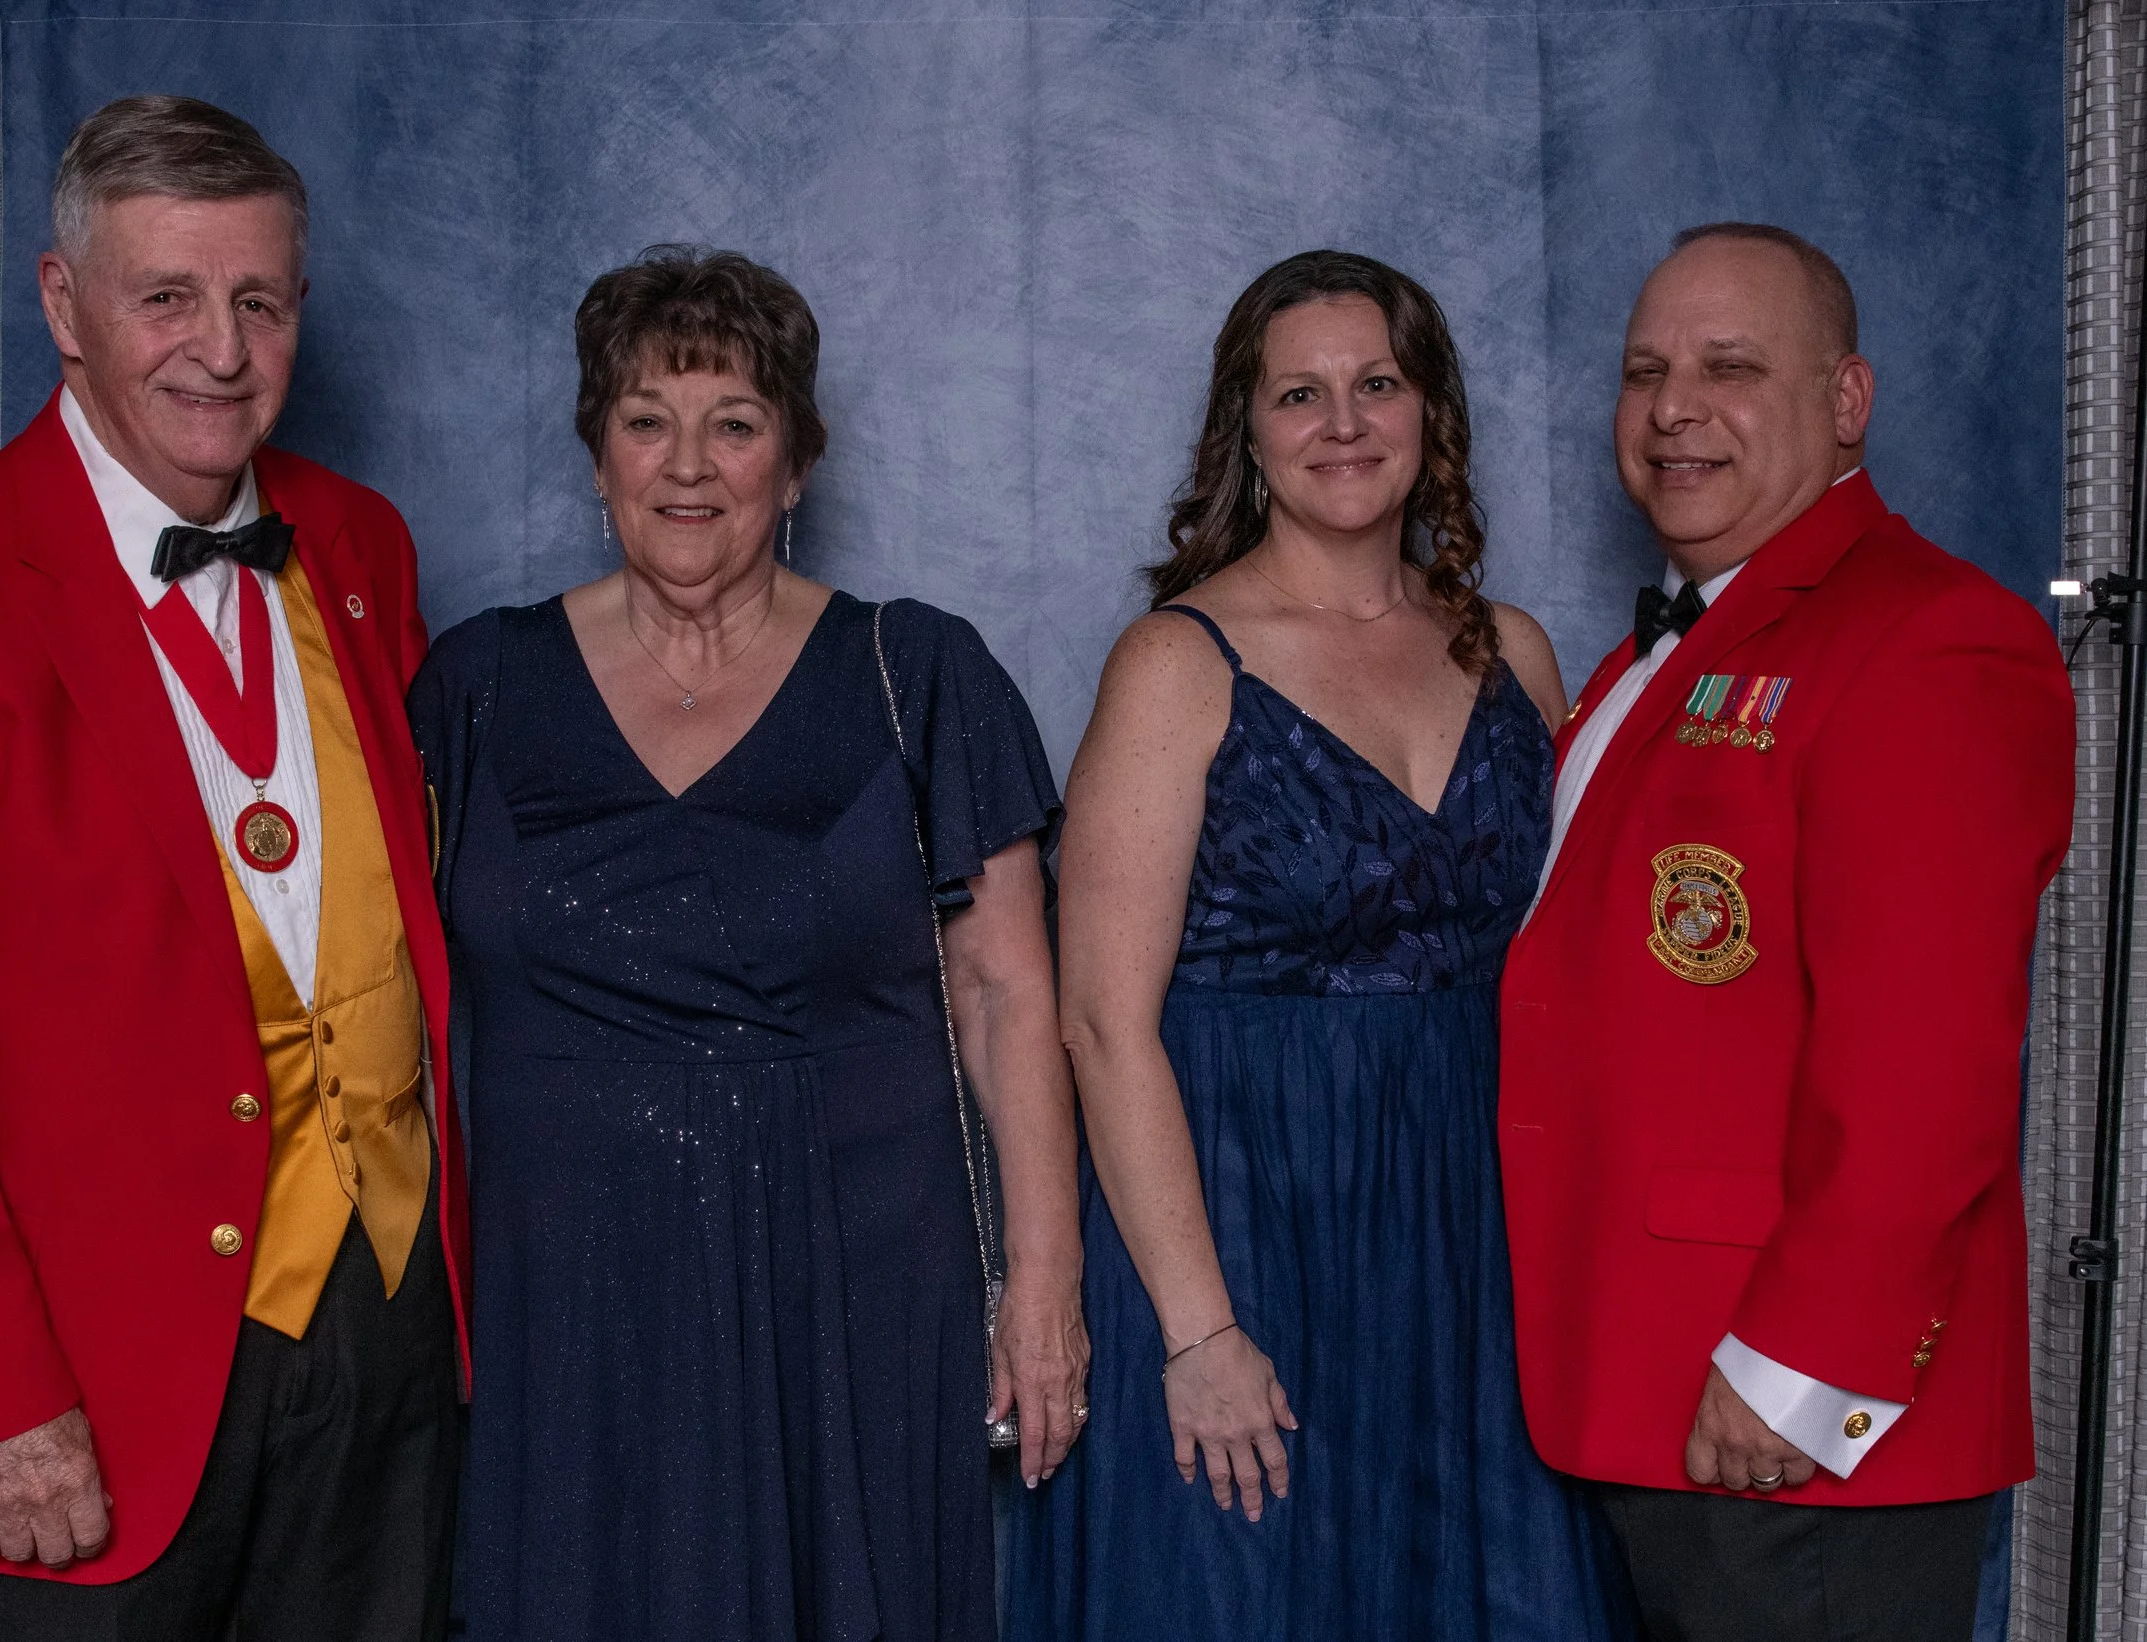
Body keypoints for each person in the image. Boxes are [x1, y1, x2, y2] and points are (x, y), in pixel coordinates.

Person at [0, 96, 465, 1638]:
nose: (219, 347)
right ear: (64, 305)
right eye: (168, 297)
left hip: (386, 1332)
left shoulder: (360, 547)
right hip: (80, 1380)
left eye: (256, 301)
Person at [410, 246, 1087, 1642]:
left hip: (853, 1288)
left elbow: (1013, 995)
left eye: (735, 421)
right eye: (647, 418)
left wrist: (1046, 1283)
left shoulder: (923, 671)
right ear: (595, 454)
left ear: (798, 460)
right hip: (569, 1304)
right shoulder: (474, 688)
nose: (688, 464)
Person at [1010, 251, 1629, 1640]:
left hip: (1473, 1242)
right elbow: (1103, 1022)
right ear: (1251, 430)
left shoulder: (1512, 655)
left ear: (1431, 414)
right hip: (1242, 1218)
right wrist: (1198, 1329)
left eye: (1377, 385)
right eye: (1302, 393)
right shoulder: (1177, 663)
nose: (1343, 423)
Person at [1498, 223, 2075, 1641]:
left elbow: (1927, 1065)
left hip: (1789, 1414)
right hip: (1655, 1374)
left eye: (1732, 367)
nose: (1674, 407)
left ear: (1846, 401)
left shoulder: (1930, 636)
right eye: (1647, 370)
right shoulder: (1675, 646)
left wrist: (1802, 1366)